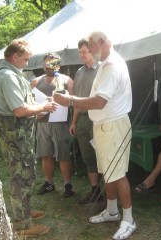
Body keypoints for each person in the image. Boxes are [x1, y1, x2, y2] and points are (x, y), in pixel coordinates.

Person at [53, 31, 136, 240]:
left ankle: (129, 220)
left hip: (113, 126)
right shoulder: (105, 63)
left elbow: (99, 101)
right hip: (103, 126)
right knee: (107, 172)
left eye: (90, 47)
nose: (88, 51)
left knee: (117, 174)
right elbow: (95, 99)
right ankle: (111, 211)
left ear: (101, 42)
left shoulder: (112, 66)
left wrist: (70, 100)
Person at [0, 39, 55, 237]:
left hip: (19, 135)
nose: (27, 63)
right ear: (15, 57)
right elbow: (19, 110)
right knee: (20, 176)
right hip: (15, 136)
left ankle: (24, 212)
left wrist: (38, 111)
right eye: (25, 59)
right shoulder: (8, 76)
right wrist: (42, 108)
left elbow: (24, 105)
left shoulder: (11, 74)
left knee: (26, 174)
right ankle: (23, 225)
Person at [30, 52, 75, 198]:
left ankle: (68, 185)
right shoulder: (36, 82)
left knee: (63, 155)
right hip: (42, 124)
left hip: (60, 124)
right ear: (43, 65)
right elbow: (30, 103)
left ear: (58, 65)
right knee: (46, 155)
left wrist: (59, 101)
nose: (50, 66)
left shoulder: (67, 80)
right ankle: (49, 183)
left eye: (53, 63)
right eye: (47, 63)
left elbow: (73, 102)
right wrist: (38, 111)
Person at [69, 38, 103, 204]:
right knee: (88, 156)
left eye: (84, 52)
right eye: (80, 52)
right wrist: (74, 122)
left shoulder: (102, 69)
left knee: (102, 154)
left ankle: (108, 191)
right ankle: (95, 191)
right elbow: (76, 101)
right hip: (82, 119)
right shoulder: (79, 72)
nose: (81, 55)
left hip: (98, 119)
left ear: (92, 51)